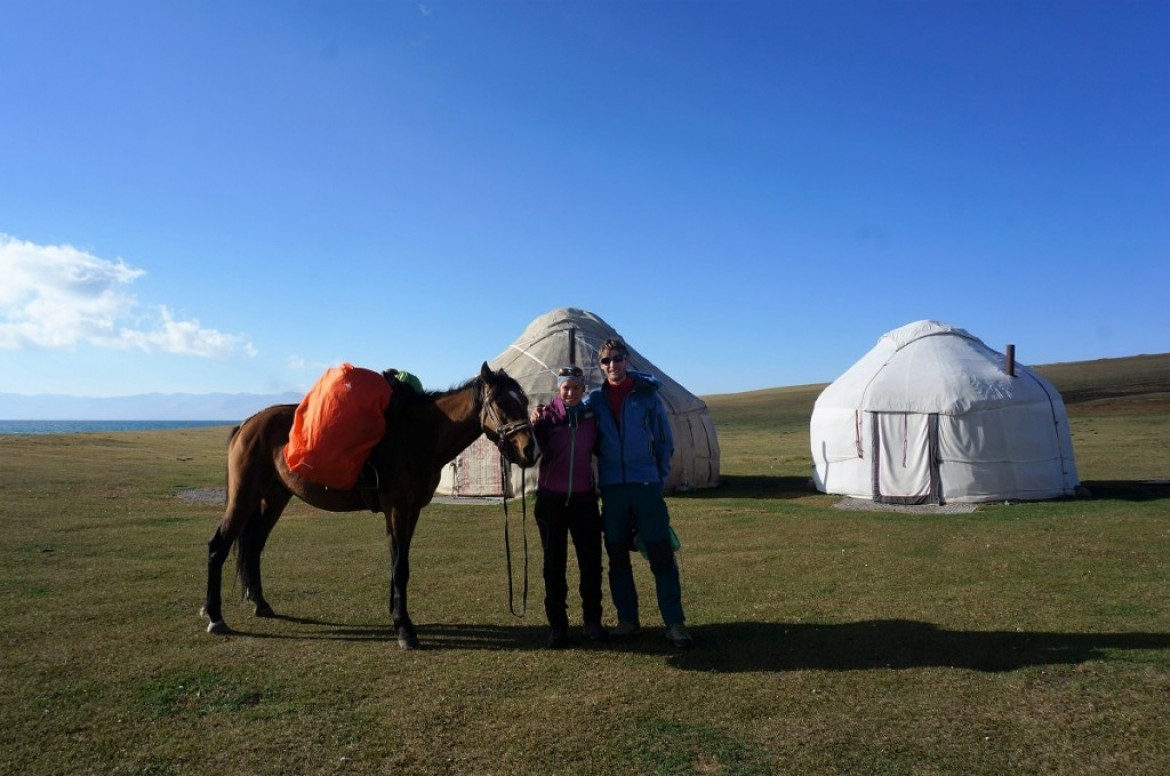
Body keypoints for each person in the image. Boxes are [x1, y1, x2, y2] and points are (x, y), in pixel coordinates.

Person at [589, 337, 694, 648]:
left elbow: (664, 440)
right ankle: (627, 620)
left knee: (661, 555)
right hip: (613, 489)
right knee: (618, 556)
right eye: (606, 361)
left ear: (627, 359)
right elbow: (569, 415)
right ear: (600, 365)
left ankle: (674, 623)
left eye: (617, 359)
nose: (612, 366)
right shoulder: (595, 399)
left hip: (645, 486)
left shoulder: (647, 394)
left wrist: (655, 477)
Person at [529, 365, 607, 648]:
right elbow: (526, 451)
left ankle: (592, 621)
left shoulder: (592, 418)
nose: (571, 392)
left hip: (584, 499)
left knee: (591, 563)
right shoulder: (545, 419)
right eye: (566, 388)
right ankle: (558, 626)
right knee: (553, 565)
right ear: (558, 390)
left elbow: (605, 447)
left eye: (575, 387)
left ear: (583, 389)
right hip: (551, 501)